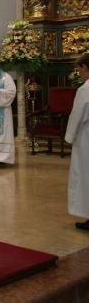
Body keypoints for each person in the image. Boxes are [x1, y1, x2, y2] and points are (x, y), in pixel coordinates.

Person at [65, 53, 89, 231]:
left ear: (85, 67)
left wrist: (69, 136)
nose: (79, 72)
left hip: (86, 140)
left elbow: (77, 116)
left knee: (85, 177)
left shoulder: (85, 89)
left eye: (79, 69)